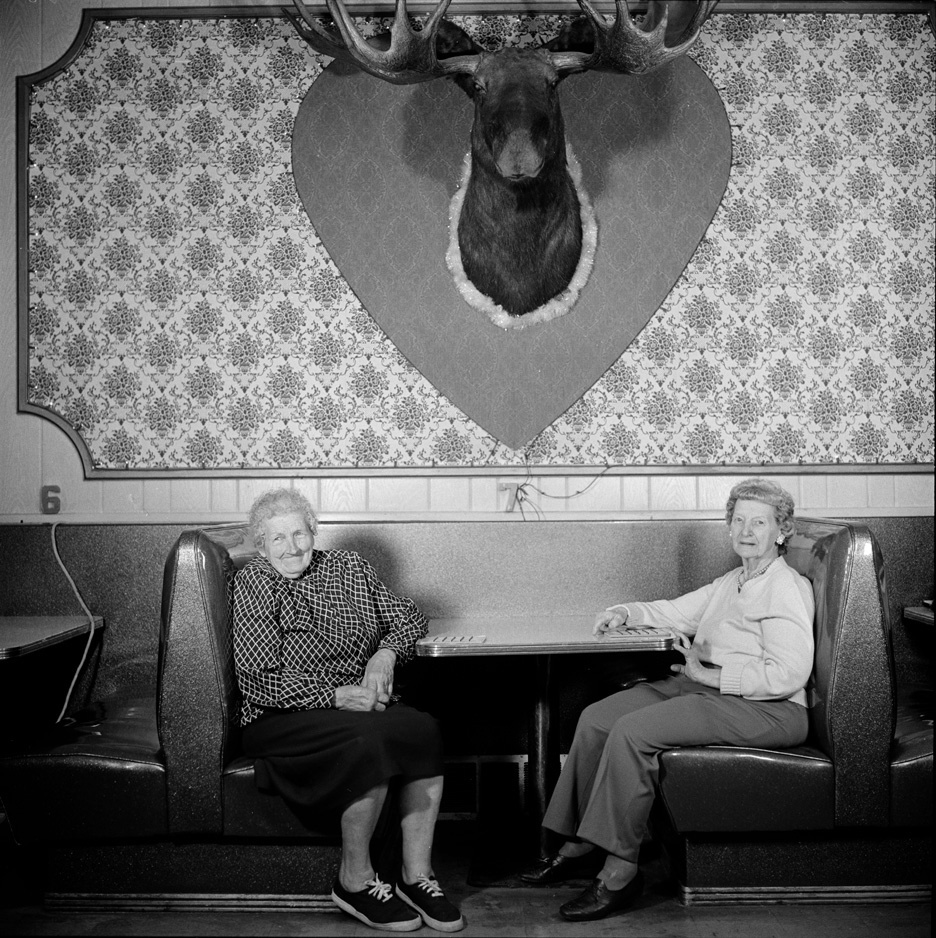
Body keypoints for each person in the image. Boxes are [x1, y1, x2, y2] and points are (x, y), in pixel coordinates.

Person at [520, 478, 815, 922]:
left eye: (759, 522)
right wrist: (626, 612)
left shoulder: (786, 586)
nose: (746, 531)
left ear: (782, 531)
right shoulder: (733, 580)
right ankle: (582, 842)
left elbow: (790, 673)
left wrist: (712, 676)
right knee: (598, 718)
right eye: (738, 520)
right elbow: (675, 610)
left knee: (633, 732)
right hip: (709, 688)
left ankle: (620, 870)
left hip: (770, 709)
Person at [232, 488, 464, 933]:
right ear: (261, 545)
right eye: (277, 538)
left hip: (356, 703)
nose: (292, 547)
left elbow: (411, 616)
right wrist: (337, 695)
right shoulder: (256, 581)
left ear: (313, 532)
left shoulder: (349, 567)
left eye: (300, 533)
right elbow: (258, 680)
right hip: (278, 715)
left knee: (423, 728)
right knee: (369, 737)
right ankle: (354, 880)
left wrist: (387, 653)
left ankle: (416, 877)